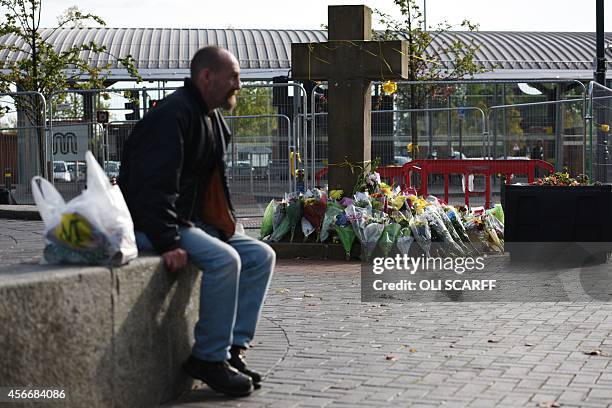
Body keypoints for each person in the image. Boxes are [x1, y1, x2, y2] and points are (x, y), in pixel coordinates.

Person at [118, 46, 275, 397]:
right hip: (151, 227)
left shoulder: (209, 116)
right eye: (233, 76)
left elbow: (211, 186)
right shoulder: (172, 116)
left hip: (188, 222)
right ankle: (207, 357)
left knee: (260, 255)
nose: (239, 84)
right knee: (225, 260)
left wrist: (225, 225)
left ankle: (232, 350)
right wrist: (168, 242)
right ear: (208, 77)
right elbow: (152, 189)